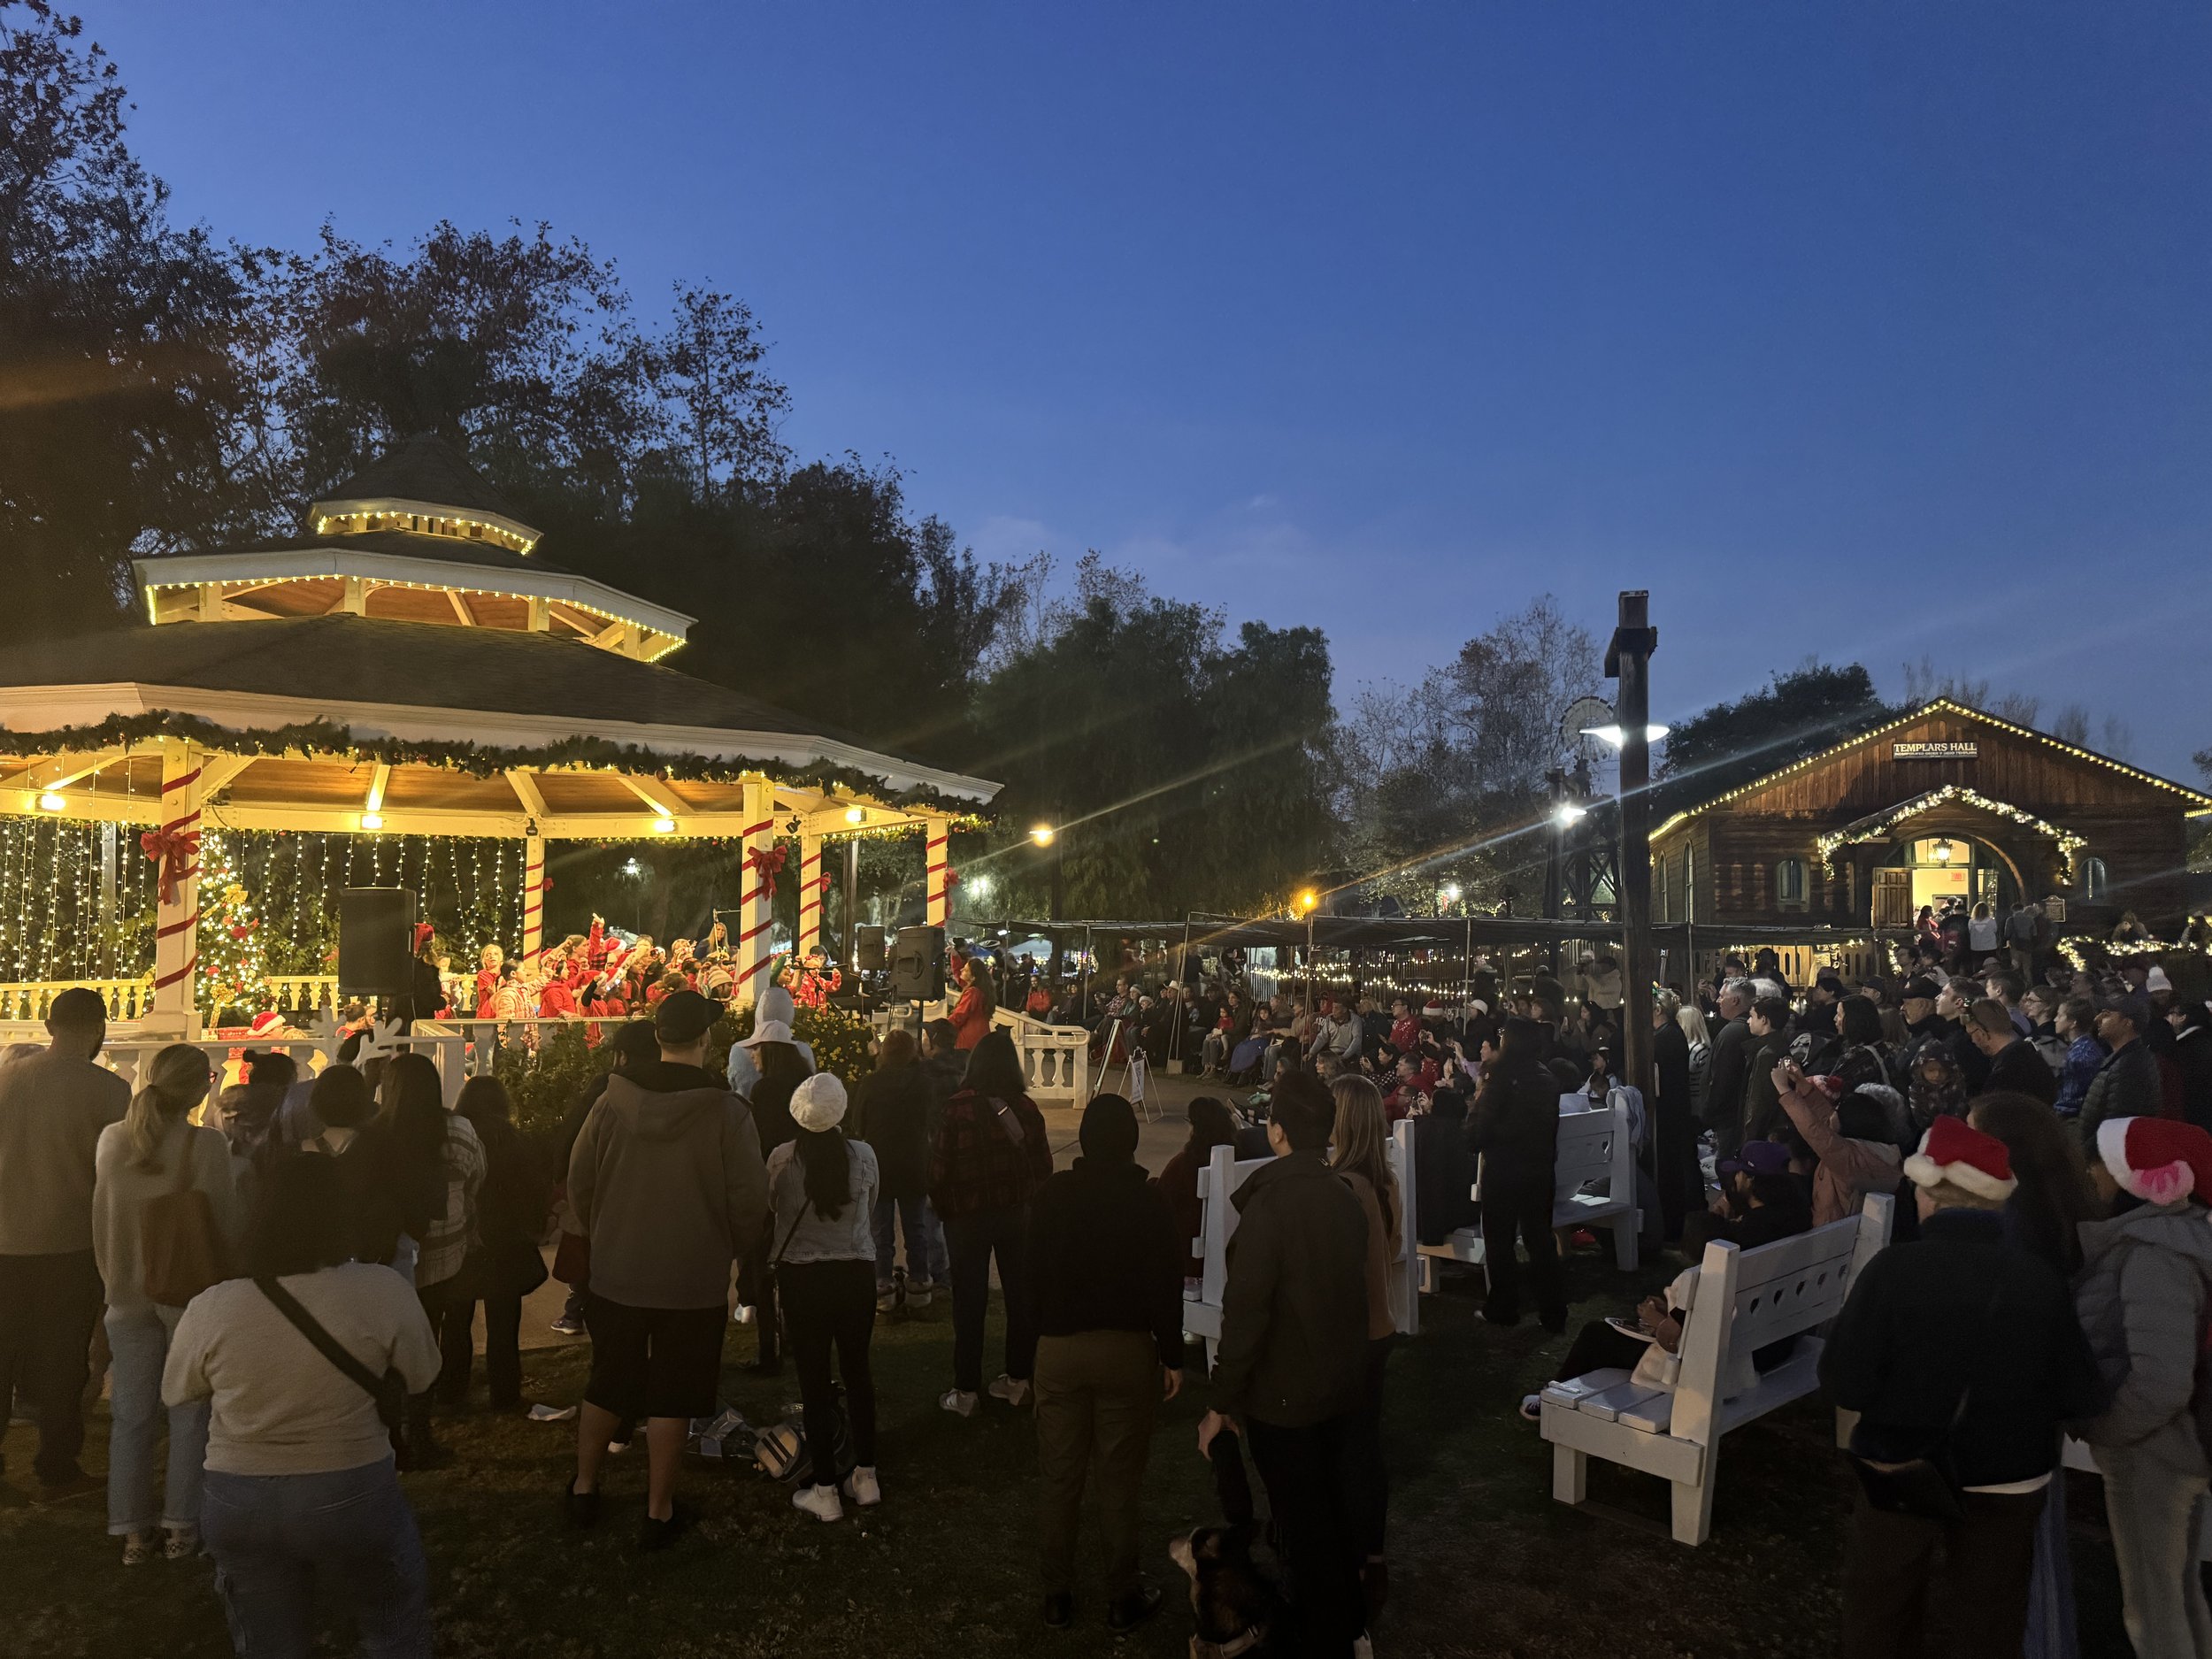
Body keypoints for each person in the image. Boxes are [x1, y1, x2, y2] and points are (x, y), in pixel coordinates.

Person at [1821, 1116, 2101, 1659]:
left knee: (1881, 1605)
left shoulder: (1892, 1270)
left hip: (1902, 1467)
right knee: (1990, 1617)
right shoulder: (2038, 1278)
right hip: (2011, 1476)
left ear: (1930, 1192)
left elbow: (1844, 1383)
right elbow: (2079, 1392)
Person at [164, 1154, 442, 1657]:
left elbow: (176, 1391)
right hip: (349, 1483)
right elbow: (423, 1375)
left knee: (269, 1641)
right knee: (391, 1624)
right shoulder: (382, 1289)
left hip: (237, 1493)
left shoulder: (214, 1305)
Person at [565, 989, 770, 1548]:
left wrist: (603, 1232)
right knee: (674, 1393)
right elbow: (750, 1199)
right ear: (705, 1040)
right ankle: (658, 1509)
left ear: (658, 1038)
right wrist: (727, 1246)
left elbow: (579, 1181)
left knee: (609, 1380)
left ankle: (584, 1486)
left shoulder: (611, 1102)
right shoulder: (728, 1113)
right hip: (692, 1277)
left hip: (617, 1270)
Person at [1197, 1066, 1370, 1659]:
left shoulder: (1271, 1208)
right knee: (1328, 1513)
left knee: (1307, 1524)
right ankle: (1344, 1620)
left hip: (1289, 1398)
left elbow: (1245, 1316)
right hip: (1341, 1386)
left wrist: (1221, 1400)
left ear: (1277, 1133)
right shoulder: (1344, 1198)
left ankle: (1327, 1635)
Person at [1028, 1094, 1184, 1632]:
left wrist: (1030, 1346)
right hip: (1125, 1348)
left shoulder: (1052, 1196)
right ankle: (1121, 1594)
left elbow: (1030, 1279)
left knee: (1060, 1476)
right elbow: (1166, 1285)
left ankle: (1057, 1592)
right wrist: (1174, 1352)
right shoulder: (1148, 1201)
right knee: (1118, 1481)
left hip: (1061, 1348)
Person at [91, 1043, 239, 1563]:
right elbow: (225, 1226)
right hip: (187, 1294)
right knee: (189, 1410)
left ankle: (131, 1529)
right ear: (200, 1088)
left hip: (124, 1295)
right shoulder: (208, 1147)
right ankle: (183, 1522)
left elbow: (101, 1222)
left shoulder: (112, 1141)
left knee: (131, 1416)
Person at [1967, 1090, 2101, 1659]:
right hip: (2040, 1395)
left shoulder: (2020, 1220)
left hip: (2014, 1402)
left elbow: (2011, 1309)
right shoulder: (2063, 1200)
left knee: (2015, 1550)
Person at [2073, 1115, 2212, 1657]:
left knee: (2152, 1609)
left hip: (2152, 1453)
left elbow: (2161, 1379)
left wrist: (2105, 1425)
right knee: (2179, 1591)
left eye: (2100, 1166)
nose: (2090, 1176)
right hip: (2187, 1443)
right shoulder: (2190, 1235)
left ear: (2136, 1180)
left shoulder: (2154, 1255)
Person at [0, 987, 129, 1499]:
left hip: (3, 1239)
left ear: (50, 1027)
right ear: (98, 1029)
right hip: (67, 1242)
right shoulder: (109, 1091)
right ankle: (56, 1466)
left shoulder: (6, 1081)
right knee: (61, 1359)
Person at [771, 1073, 883, 1524]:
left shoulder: (782, 1159)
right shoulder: (865, 1156)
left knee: (814, 1383)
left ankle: (824, 1488)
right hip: (855, 1271)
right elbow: (870, 1207)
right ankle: (867, 1476)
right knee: (858, 1373)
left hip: (803, 1277)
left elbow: (770, 1209)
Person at [930, 1028, 1052, 1416]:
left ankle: (966, 1391)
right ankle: (1018, 1380)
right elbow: (1043, 1166)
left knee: (969, 1301)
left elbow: (938, 1169)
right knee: (1020, 1297)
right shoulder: (1027, 1109)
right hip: (1017, 1215)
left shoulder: (955, 1108)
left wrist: (943, 1205)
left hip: (966, 1218)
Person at [381, 1053, 483, 1465]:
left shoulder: (377, 1132)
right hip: (445, 1250)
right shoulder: (457, 1129)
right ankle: (420, 1430)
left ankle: (393, 1432)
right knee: (429, 1337)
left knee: (390, 1346)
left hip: (392, 1254)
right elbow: (478, 1175)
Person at [1329, 1075, 1402, 1624]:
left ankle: (1350, 1560)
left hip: (1350, 1334)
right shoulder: (1385, 1182)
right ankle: (1371, 1555)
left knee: (1345, 1450)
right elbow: (1392, 1249)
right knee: (1365, 1447)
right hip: (1381, 1330)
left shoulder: (1344, 1186)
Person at [549, 1020, 661, 1336]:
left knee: (592, 1260)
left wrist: (565, 1183)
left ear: (622, 1056)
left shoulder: (607, 1089)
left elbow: (572, 1138)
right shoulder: (678, 1089)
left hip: (605, 1194)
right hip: (653, 1198)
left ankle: (578, 1314)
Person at [448, 1076, 549, 1411]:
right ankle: (505, 1393)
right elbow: (532, 1188)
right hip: (505, 1239)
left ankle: (452, 1388)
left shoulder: (456, 1139)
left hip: (464, 1238)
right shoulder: (514, 1140)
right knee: (504, 1324)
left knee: (456, 1319)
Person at [1467, 1016, 1565, 1332]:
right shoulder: (1547, 1078)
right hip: (1539, 1169)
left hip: (1505, 1170)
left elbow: (1478, 1134)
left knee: (1500, 1240)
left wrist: (1475, 1107)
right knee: (1539, 1238)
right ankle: (1553, 1309)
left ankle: (1504, 1306)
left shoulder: (1500, 1078)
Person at [849, 1029, 944, 1311]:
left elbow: (858, 1123)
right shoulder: (925, 1084)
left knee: (881, 1230)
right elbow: (934, 1122)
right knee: (916, 1228)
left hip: (880, 1163)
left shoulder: (870, 1083)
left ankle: (883, 1286)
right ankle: (919, 1286)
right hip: (914, 1162)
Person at [737, 1018, 813, 1368]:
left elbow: (761, 1141)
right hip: (808, 1183)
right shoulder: (807, 1084)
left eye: (756, 1050)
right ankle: (799, 1338)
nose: (752, 1057)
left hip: (773, 1183)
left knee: (763, 1267)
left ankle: (770, 1349)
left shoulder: (764, 1091)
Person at [1774, 1065, 1902, 1228]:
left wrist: (1784, 1091)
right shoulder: (1876, 1152)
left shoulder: (1849, 1158)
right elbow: (1825, 1121)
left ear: (1849, 1123)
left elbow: (1815, 1131)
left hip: (1832, 1236)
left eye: (1837, 1111)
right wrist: (1802, 1083)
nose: (1833, 1112)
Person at [1152, 1095, 1241, 1285]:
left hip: (1189, 1257)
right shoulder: (1239, 1159)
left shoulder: (1185, 1164)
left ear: (1196, 1128)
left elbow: (1160, 1203)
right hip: (1230, 1253)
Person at [2079, 991, 2162, 1146]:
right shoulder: (2123, 1059)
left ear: (2127, 1023)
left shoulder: (2129, 1066)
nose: (2097, 1019)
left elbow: (2117, 1126)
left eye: (2106, 1014)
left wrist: (2086, 1155)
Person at [1652, 990, 1698, 1240]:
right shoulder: (1668, 1034)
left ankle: (1672, 1225)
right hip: (1672, 1109)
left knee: (1672, 1169)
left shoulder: (1666, 1037)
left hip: (1670, 1112)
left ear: (1658, 1010)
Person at [1964, 999, 2056, 1107]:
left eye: (1971, 1034)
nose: (1973, 1040)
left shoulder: (2003, 1077)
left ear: (1981, 1033)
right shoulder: (2033, 1054)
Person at [1740, 995, 1793, 1144]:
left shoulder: (1767, 1055)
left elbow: (1758, 1100)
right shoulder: (1780, 1047)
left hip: (1763, 1135)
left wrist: (1749, 1138)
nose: (1748, 1021)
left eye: (1752, 1016)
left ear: (1763, 1020)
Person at [2051, 994, 2106, 1121]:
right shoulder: (2083, 1048)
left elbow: (2070, 1101)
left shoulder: (2080, 1055)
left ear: (2073, 1023)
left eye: (2060, 1016)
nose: (2055, 1019)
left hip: (2074, 1119)